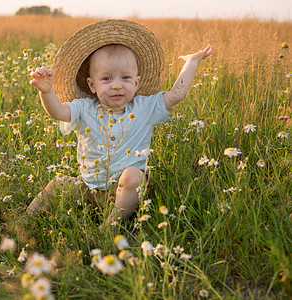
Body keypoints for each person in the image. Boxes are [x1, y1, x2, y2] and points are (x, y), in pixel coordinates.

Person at [26, 19, 213, 230]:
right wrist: (46, 92)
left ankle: (109, 227)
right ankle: (23, 221)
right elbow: (58, 112)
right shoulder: (83, 108)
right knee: (58, 185)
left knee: (132, 176)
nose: (116, 85)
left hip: (126, 191)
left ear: (136, 83)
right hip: (89, 189)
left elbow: (176, 95)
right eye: (106, 79)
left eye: (125, 77)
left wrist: (192, 62)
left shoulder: (144, 107)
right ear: (92, 85)